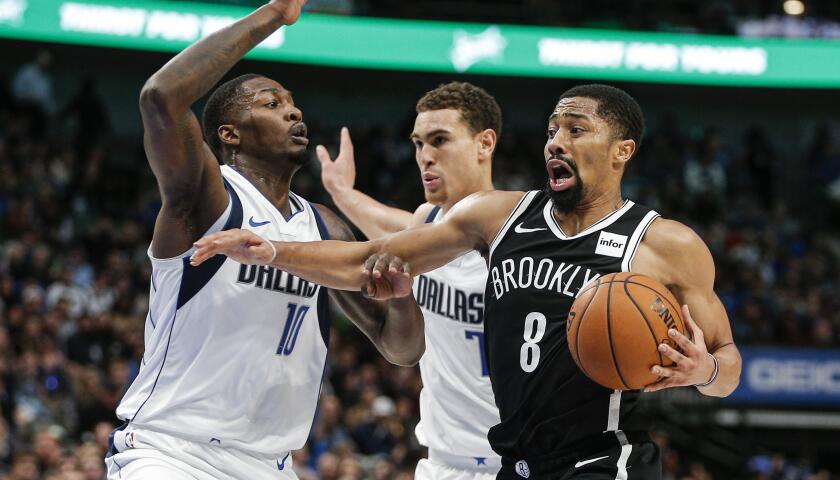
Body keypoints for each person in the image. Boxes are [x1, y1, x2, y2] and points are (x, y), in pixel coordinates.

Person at [191, 83, 743, 480]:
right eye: (552, 129)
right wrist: (270, 249)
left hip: (604, 459)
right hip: (514, 462)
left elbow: (727, 368)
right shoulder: (497, 216)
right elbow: (376, 256)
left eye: (576, 130)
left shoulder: (664, 244)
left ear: (623, 151)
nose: (556, 141)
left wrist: (706, 369)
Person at [105, 0, 424, 480]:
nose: (293, 114)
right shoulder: (207, 198)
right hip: (172, 455)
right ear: (228, 134)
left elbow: (400, 350)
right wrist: (274, 16)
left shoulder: (323, 226)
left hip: (270, 466)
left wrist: (401, 300)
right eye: (272, 103)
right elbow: (160, 97)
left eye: (295, 104)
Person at [317, 82, 503, 479]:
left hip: (520, 465)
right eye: (419, 144)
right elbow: (388, 228)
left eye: (439, 141)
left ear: (484, 143)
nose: (424, 157)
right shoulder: (427, 222)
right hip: (442, 464)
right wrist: (341, 192)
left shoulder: (526, 236)